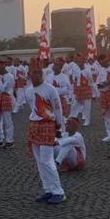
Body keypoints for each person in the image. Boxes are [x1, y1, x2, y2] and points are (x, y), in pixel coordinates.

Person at [25, 61, 67, 203]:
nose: (37, 75)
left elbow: (58, 109)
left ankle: (58, 191)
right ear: (29, 74)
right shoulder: (28, 90)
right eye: (34, 72)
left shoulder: (50, 89)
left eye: (39, 72)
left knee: (47, 160)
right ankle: (48, 189)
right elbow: (32, 108)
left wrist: (59, 127)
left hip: (48, 125)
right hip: (34, 125)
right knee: (39, 161)